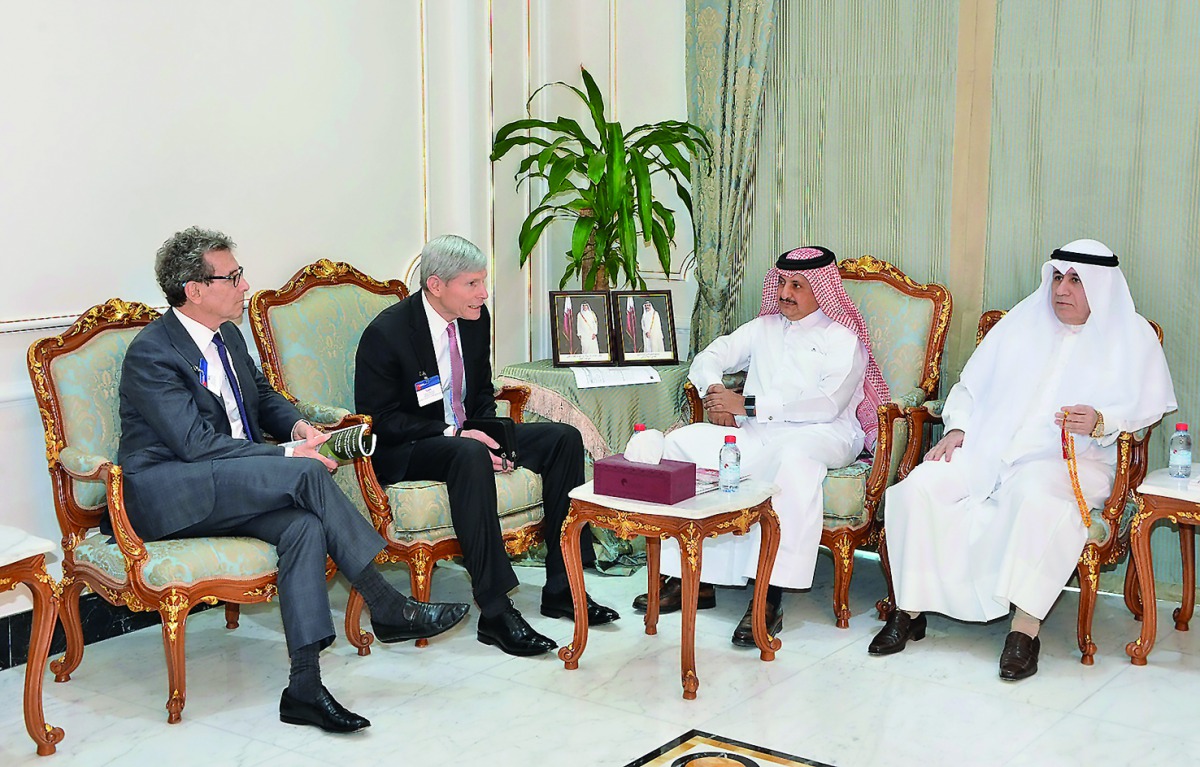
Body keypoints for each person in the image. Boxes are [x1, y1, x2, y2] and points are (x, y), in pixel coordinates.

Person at [117, 227, 469, 734]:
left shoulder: (227, 335)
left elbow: (263, 396)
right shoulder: (152, 353)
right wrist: (287, 452)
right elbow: (194, 445)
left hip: (229, 483)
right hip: (172, 493)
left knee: (303, 527)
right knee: (304, 471)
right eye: (233, 277)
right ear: (195, 290)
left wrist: (298, 427)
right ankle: (385, 602)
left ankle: (304, 686)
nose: (244, 285)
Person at [869, 239, 1176, 681]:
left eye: (1076, 281)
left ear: (1101, 286)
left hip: (1071, 460)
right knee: (918, 488)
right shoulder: (1019, 323)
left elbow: (1145, 409)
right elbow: (970, 386)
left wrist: (1102, 420)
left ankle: (1024, 631)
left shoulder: (1132, 338)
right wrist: (957, 427)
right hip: (990, 447)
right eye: (1057, 277)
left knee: (1036, 500)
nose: (1061, 290)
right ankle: (909, 611)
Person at [355, 234, 619, 658]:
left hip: (465, 437)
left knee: (562, 439)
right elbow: (381, 420)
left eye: (483, 282)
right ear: (436, 285)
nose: (483, 293)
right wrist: (457, 435)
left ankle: (562, 586)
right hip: (409, 448)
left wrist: (495, 438)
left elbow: (479, 392)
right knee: (468, 452)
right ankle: (495, 611)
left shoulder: (475, 318)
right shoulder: (388, 333)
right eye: (472, 284)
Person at [633, 246, 889, 645]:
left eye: (797, 285)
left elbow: (827, 405)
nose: (785, 293)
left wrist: (747, 405)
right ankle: (691, 577)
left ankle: (768, 595)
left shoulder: (842, 338)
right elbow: (709, 356)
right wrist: (716, 393)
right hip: (757, 434)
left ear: (821, 289)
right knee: (680, 445)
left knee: (793, 460)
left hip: (825, 434)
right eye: (782, 283)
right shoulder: (763, 328)